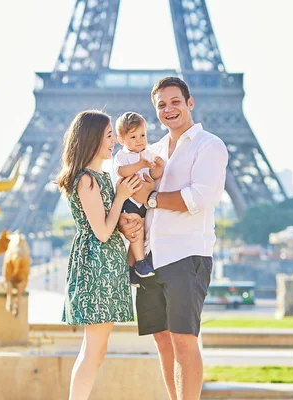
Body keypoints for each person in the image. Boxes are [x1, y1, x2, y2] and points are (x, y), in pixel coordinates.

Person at [118, 77, 229, 400]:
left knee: (183, 339)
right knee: (162, 340)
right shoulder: (149, 151)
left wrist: (152, 197)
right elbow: (133, 196)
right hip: (149, 258)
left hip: (186, 255)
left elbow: (200, 198)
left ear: (190, 103)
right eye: (162, 105)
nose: (169, 109)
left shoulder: (209, 145)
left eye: (175, 101)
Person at [56, 110, 141, 400]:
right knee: (93, 350)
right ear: (92, 139)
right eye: (108, 136)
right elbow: (102, 232)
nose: (115, 141)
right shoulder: (87, 181)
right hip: (97, 269)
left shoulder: (99, 177)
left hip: (106, 266)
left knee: (96, 349)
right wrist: (120, 196)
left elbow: (109, 224)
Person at [113, 112, 165, 284]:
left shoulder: (148, 153)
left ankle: (131, 269)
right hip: (130, 201)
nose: (139, 140)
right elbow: (122, 171)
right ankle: (141, 263)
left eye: (142, 135)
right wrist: (140, 164)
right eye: (133, 137)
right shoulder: (122, 155)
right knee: (136, 231)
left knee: (140, 235)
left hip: (144, 203)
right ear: (121, 140)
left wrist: (159, 167)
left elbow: (153, 174)